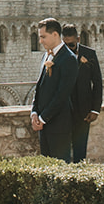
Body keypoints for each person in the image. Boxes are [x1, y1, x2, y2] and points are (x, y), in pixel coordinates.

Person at [29, 17, 80, 160]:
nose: (41, 41)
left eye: (43, 37)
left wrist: (43, 118)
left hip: (59, 125)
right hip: (43, 125)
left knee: (60, 167)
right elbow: (39, 87)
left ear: (55, 35)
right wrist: (34, 111)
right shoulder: (46, 56)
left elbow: (62, 94)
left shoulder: (68, 59)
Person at [62, 24, 104, 163]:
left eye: (72, 44)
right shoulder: (58, 55)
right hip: (63, 111)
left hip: (83, 111)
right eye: (65, 44)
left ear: (78, 39)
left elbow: (97, 82)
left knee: (80, 151)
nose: (69, 48)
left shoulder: (90, 54)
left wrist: (95, 109)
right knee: (63, 151)